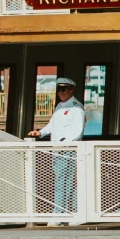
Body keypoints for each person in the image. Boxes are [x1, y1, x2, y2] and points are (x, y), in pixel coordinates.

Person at [37, 77, 85, 216]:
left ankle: (60, 212)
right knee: (63, 181)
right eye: (59, 90)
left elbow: (78, 131)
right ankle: (72, 211)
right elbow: (52, 126)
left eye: (63, 89)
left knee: (64, 182)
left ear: (71, 90)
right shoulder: (59, 107)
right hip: (57, 149)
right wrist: (40, 132)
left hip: (67, 150)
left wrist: (65, 142)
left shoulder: (76, 108)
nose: (61, 93)